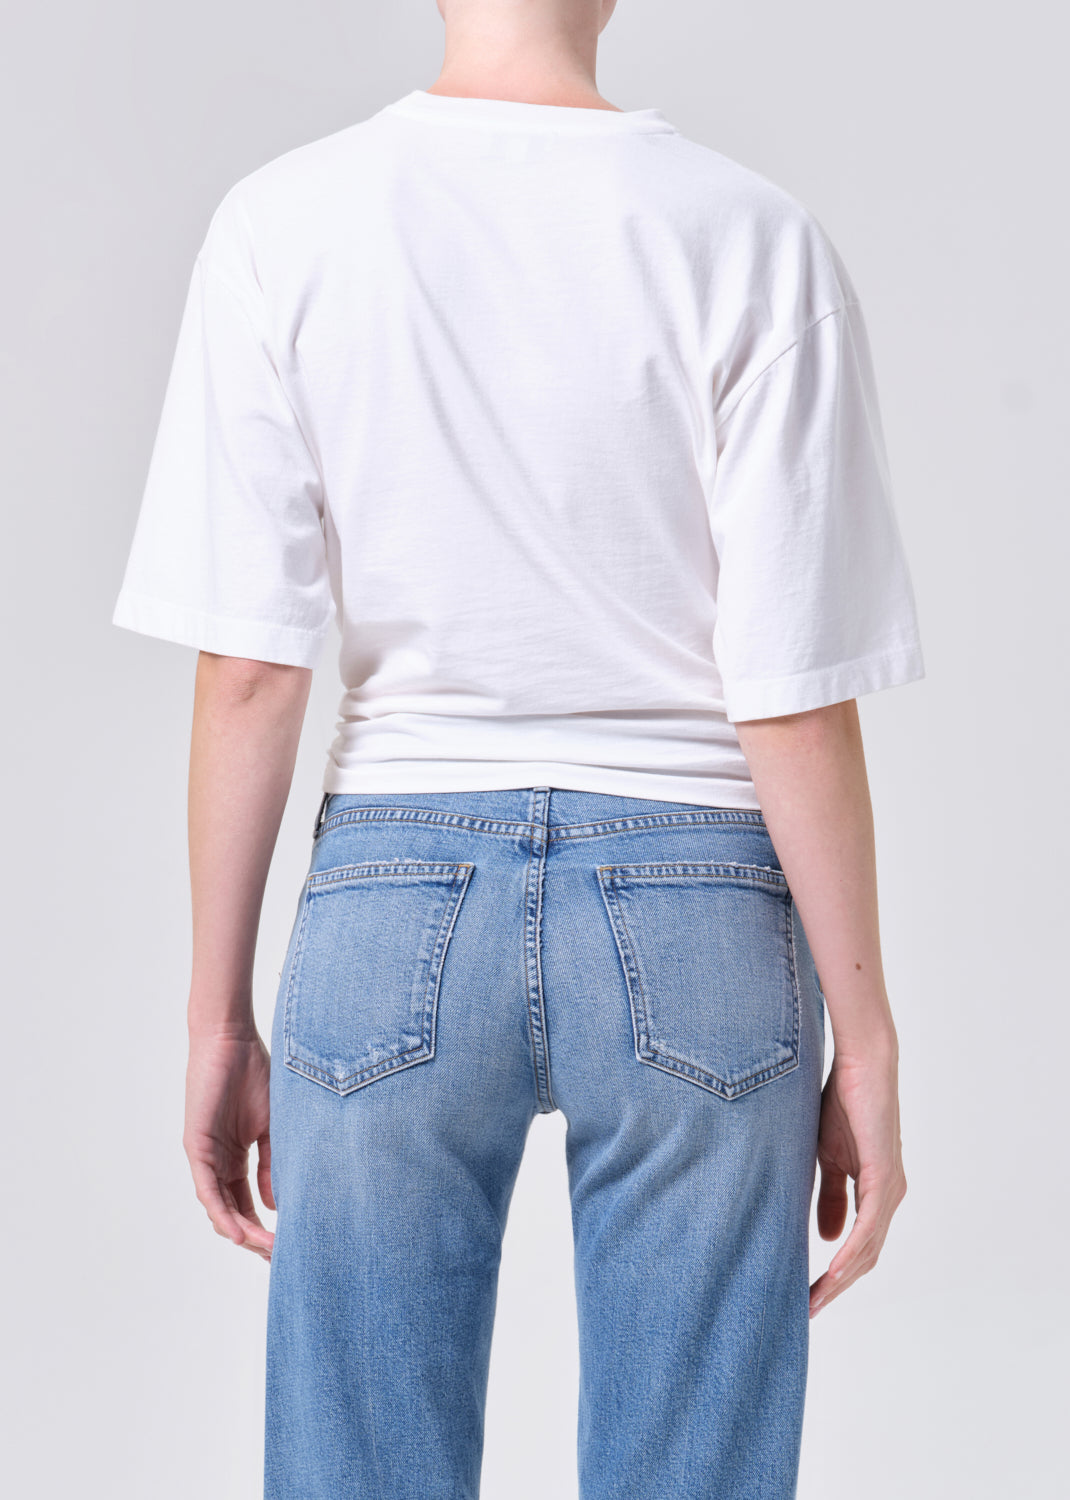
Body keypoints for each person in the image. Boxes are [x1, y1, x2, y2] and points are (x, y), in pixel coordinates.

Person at [111, 1, 925, 1495]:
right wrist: (862, 1044)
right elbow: (791, 695)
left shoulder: (281, 226)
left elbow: (249, 674)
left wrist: (218, 1020)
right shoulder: (749, 235)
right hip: (701, 901)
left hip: (389, 896)